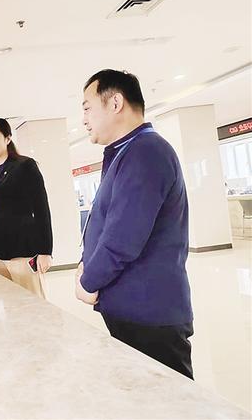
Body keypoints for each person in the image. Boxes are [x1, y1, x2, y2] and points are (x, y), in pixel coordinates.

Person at [75, 69, 194, 379]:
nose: (83, 119)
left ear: (115, 103)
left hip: (149, 314)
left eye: (87, 108)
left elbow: (123, 238)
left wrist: (87, 282)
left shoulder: (146, 152)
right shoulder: (125, 152)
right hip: (132, 309)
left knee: (170, 399)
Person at [0, 117, 53, 298]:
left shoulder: (24, 166)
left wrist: (46, 251)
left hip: (23, 252)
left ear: (7, 138)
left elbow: (41, 210)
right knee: (10, 306)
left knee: (33, 304)